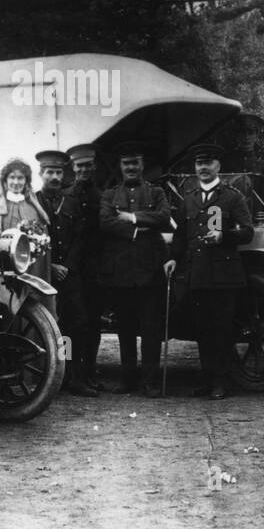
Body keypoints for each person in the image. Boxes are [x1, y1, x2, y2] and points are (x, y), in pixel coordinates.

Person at [165, 142, 253, 400]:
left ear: (218, 166)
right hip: (197, 274)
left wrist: (224, 236)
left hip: (224, 276)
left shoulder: (233, 197)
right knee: (202, 330)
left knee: (222, 329)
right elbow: (181, 235)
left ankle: (221, 382)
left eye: (209, 162)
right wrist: (173, 259)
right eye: (199, 163)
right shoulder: (189, 199)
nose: (203, 167)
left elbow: (247, 232)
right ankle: (206, 378)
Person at [99, 142, 173, 396]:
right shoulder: (109, 195)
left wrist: (131, 217)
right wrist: (140, 228)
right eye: (126, 163)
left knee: (151, 330)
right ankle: (128, 379)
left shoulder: (157, 192)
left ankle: (150, 381)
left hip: (151, 271)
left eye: (135, 163)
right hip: (121, 273)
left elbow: (164, 218)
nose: (130, 167)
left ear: (142, 165)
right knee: (126, 329)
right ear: (120, 167)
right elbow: (106, 222)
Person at [35, 150, 93, 396]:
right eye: (50, 172)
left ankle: (74, 377)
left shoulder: (70, 201)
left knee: (76, 324)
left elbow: (80, 237)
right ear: (41, 174)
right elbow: (32, 241)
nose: (55, 177)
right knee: (53, 326)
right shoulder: (34, 202)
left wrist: (67, 266)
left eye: (59, 172)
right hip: (44, 276)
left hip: (69, 275)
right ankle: (55, 377)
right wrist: (51, 267)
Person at [67, 143, 106, 392]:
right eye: (80, 166)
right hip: (70, 272)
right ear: (73, 167)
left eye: (88, 166)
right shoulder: (65, 196)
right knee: (69, 326)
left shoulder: (102, 197)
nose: (84, 170)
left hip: (94, 271)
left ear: (94, 167)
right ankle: (68, 373)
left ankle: (89, 372)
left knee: (93, 325)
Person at [0, 157, 48, 247]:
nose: (16, 182)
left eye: (20, 178)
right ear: (5, 181)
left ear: (26, 181)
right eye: (12, 177)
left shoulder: (34, 209)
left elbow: (42, 242)